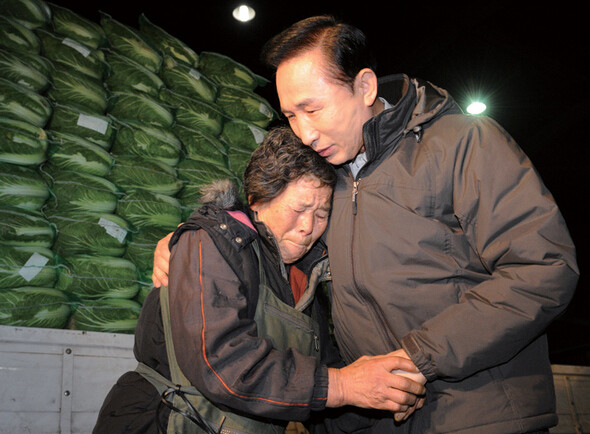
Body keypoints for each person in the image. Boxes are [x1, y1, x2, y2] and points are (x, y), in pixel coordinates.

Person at [153, 15, 580, 433]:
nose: (303, 132)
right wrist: (195, 237)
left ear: (365, 86)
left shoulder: (461, 143)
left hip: (479, 412)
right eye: (291, 116)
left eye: (312, 109)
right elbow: (272, 232)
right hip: (379, 416)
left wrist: (418, 357)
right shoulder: (327, 174)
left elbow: (544, 269)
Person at [95, 126, 426, 434]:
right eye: (299, 208)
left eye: (321, 213)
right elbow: (222, 363)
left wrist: (384, 391)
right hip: (161, 422)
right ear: (257, 200)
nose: (308, 226)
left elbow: (317, 380)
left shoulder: (306, 278)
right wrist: (343, 385)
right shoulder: (213, 244)